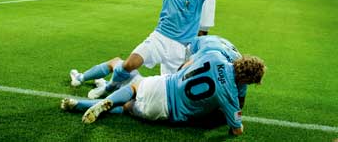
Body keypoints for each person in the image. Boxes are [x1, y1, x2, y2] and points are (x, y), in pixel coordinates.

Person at [72, 0, 245, 98]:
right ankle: (107, 87)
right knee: (129, 64)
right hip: (160, 38)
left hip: (182, 49)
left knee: (171, 92)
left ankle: (105, 85)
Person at [61, 53, 266, 136]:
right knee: (126, 108)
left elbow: (188, 63)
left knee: (133, 87)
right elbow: (237, 130)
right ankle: (80, 104)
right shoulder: (230, 96)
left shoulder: (215, 56)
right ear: (248, 81)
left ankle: (102, 98)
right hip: (166, 111)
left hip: (163, 85)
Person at [71, 35, 244, 100]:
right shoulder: (227, 75)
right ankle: (105, 87)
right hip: (174, 97)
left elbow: (188, 63)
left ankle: (84, 80)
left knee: (117, 62)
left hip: (153, 88)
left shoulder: (213, 51)